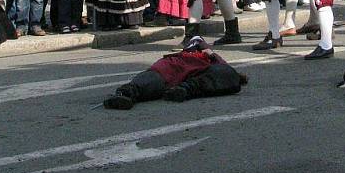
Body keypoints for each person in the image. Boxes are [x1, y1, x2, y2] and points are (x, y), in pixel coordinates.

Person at [102, 36, 247, 110]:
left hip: (198, 73)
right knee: (154, 77)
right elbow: (197, 39)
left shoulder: (213, 60)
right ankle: (124, 95)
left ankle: (183, 90)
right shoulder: (178, 57)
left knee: (226, 74)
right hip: (174, 68)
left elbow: (228, 74)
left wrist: (210, 55)